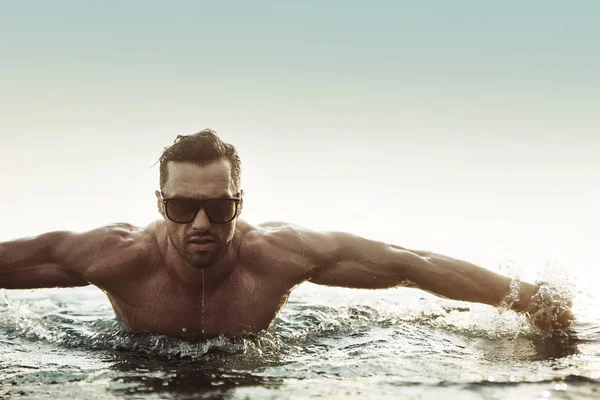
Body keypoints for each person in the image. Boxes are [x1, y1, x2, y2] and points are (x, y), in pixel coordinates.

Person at [0, 129, 573, 338]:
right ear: (160, 203)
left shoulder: (278, 252)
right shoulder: (115, 254)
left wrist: (529, 300)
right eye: (182, 207)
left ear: (239, 203)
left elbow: (408, 263)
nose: (200, 224)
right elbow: (20, 260)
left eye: (217, 208)